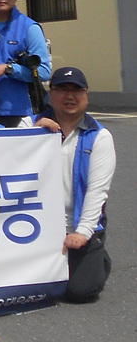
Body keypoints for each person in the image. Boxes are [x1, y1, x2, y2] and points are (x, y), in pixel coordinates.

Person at [34, 66, 114, 303]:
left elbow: (97, 191)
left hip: (76, 226)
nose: (70, 97)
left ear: (86, 95)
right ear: (50, 93)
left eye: (76, 90)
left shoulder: (99, 137)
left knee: (80, 291)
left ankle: (98, 256)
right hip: (37, 226)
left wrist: (83, 232)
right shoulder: (30, 125)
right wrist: (29, 136)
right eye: (62, 89)